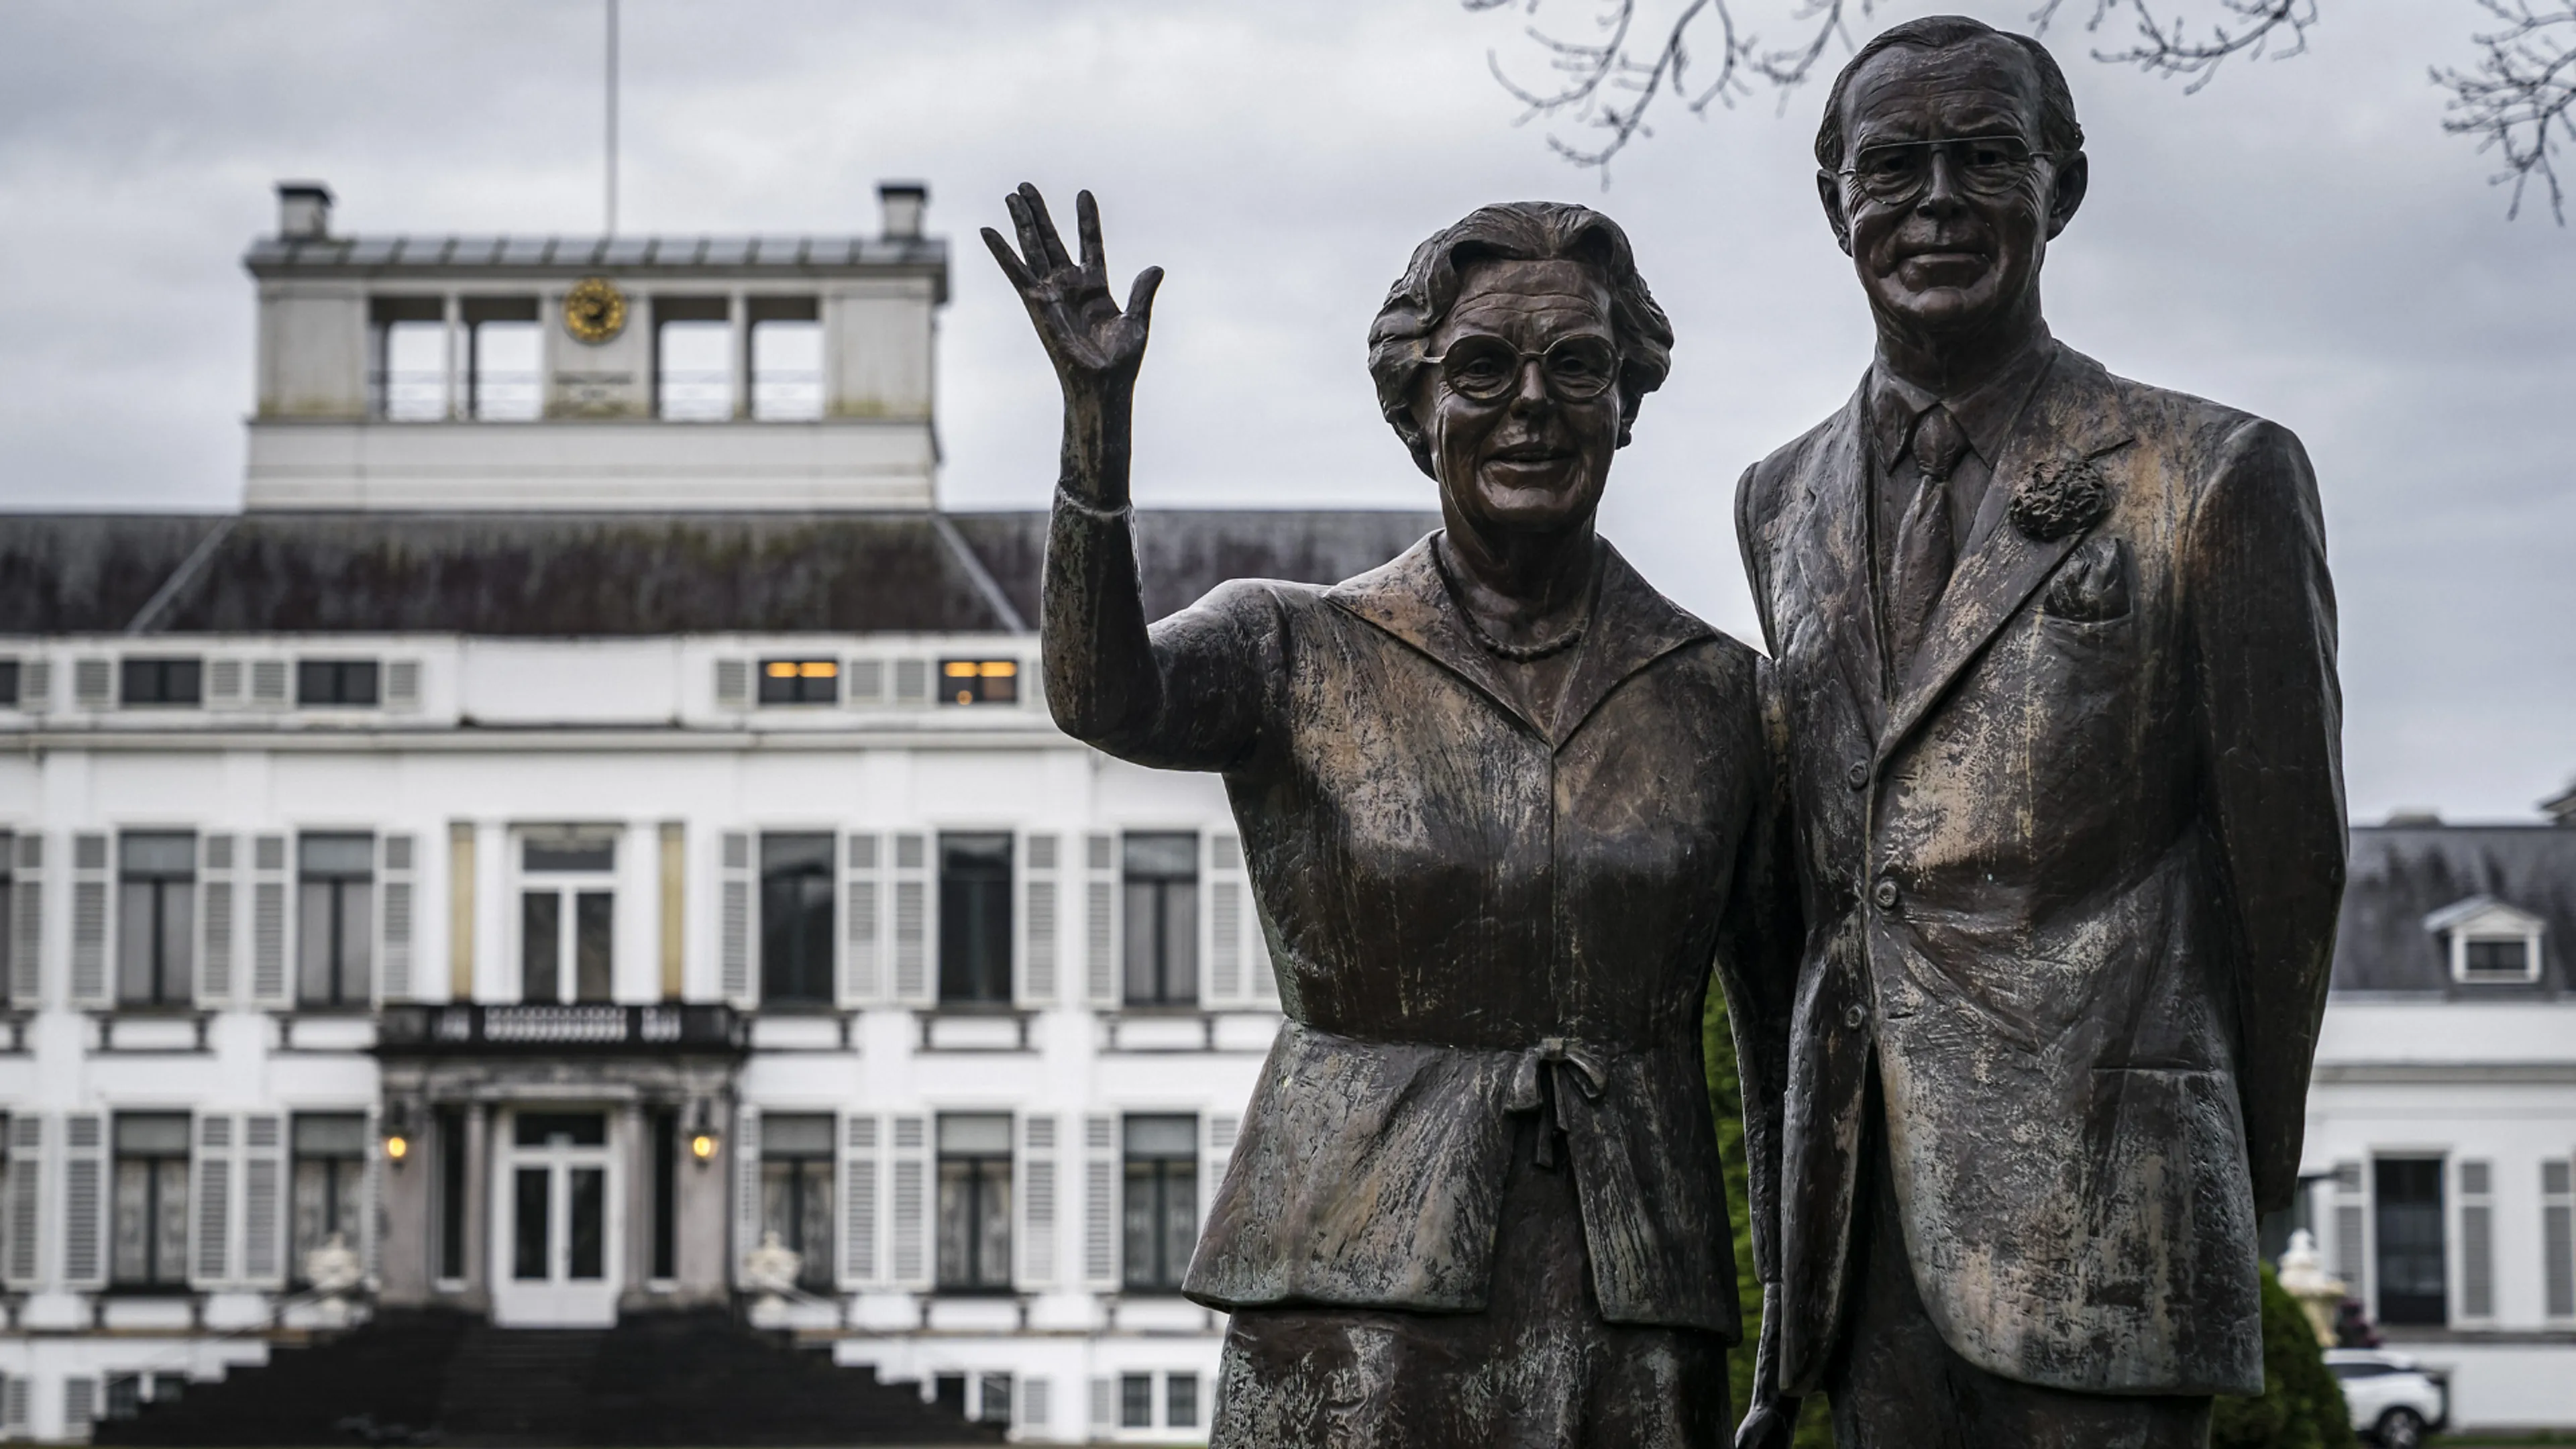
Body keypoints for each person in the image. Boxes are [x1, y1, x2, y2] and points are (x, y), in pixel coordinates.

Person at [984, 184, 1791, 1448]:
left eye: (1577, 366)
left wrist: (1785, 1323)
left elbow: (1779, 1031)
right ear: (1417, 412)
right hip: (1344, 1294)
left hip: (1633, 1304)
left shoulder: (1723, 695)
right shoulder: (1291, 644)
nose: (1531, 401)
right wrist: (1097, 438)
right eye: (1481, 366)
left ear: (1628, 403)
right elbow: (1104, 696)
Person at [1729, 16, 2347, 1449]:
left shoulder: (2213, 476)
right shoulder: (1777, 498)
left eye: (1985, 158)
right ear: (1837, 206)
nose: (1935, 200)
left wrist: (2231, 1178)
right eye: (1892, 166)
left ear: (2059, 187)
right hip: (1865, 1213)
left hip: (2115, 1203)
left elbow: (2288, 872)